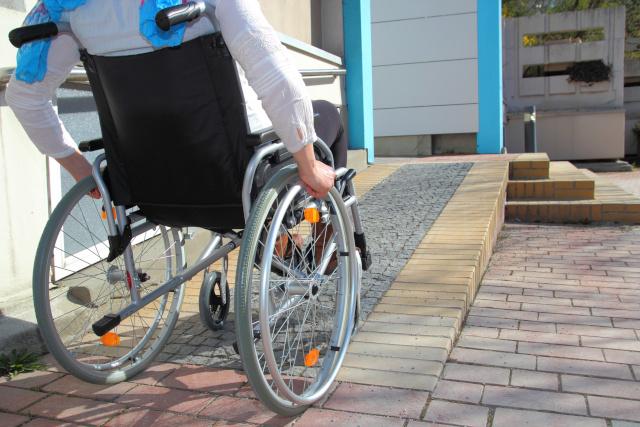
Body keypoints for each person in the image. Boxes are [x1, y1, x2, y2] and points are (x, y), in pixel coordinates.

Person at [6, 0, 348, 200]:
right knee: (328, 116)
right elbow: (275, 75)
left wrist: (84, 174)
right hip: (232, 171)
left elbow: (25, 98)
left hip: (144, 182)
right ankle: (325, 242)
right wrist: (308, 166)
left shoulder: (69, 10)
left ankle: (283, 244)